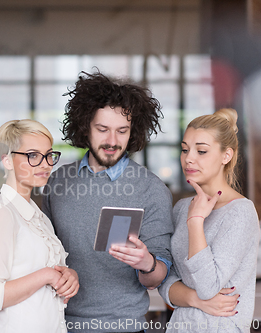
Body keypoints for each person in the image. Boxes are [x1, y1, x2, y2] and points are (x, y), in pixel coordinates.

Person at [42, 70, 174, 333]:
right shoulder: (58, 182)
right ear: (85, 127)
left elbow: (159, 275)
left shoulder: (151, 189)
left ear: (133, 132)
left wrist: (146, 263)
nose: (112, 141)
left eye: (122, 131)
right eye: (102, 129)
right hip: (58, 325)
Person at [158, 108, 260, 333]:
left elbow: (209, 287)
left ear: (227, 155)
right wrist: (194, 299)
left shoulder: (240, 213)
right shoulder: (182, 208)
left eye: (201, 151)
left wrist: (195, 222)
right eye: (185, 150)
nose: (189, 158)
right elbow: (165, 280)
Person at [0, 119, 80, 333]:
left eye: (49, 155)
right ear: (8, 161)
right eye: (33, 155)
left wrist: (67, 276)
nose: (45, 164)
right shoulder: (0, 214)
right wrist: (46, 275)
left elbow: (40, 274)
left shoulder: (39, 217)